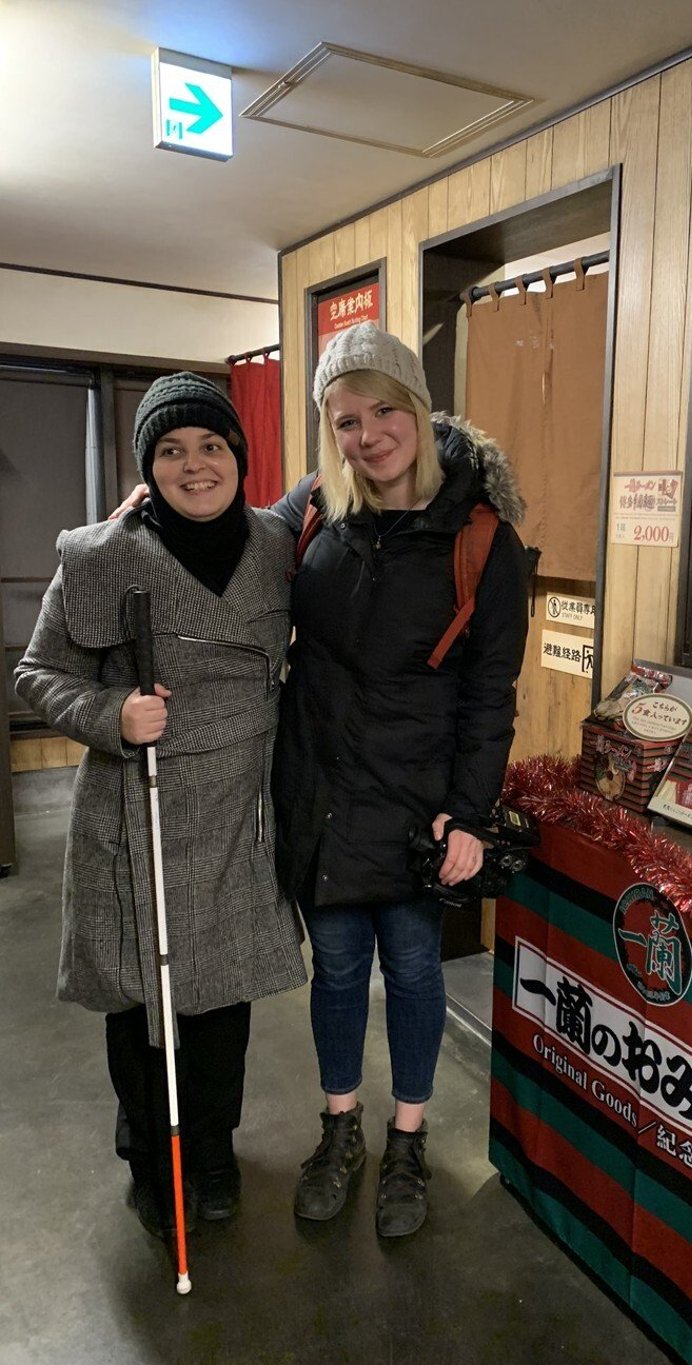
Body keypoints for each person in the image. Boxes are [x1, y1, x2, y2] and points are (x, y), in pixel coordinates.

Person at [15, 373, 307, 1239]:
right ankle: (151, 1152)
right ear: (148, 465)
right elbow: (35, 673)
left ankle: (211, 1147)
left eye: (212, 445)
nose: (195, 464)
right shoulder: (101, 555)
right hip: (130, 811)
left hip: (234, 811)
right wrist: (112, 713)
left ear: (239, 456)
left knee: (223, 998)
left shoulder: (274, 544)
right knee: (144, 1000)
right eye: (171, 450)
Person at [270, 322, 529, 1237]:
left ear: (418, 409)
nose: (367, 434)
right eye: (345, 418)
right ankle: (339, 1127)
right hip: (324, 791)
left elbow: (490, 695)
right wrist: (146, 514)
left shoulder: (482, 537)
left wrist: (470, 814)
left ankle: (408, 1138)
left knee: (415, 967)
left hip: (422, 803)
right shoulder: (311, 515)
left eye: (384, 410)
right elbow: (220, 546)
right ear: (328, 431)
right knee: (336, 969)